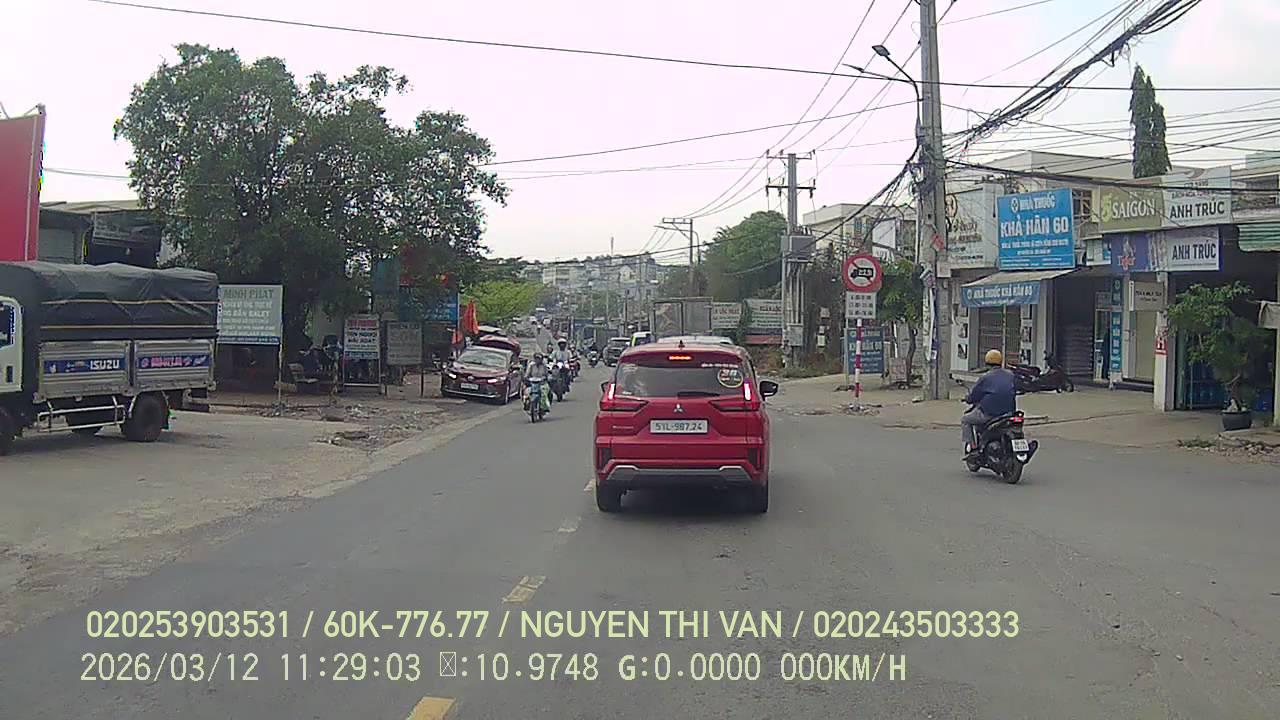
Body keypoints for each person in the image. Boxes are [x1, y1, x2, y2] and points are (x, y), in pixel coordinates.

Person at [961, 349, 1017, 457]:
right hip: (1008, 414)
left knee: (965, 420)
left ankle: (972, 447)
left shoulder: (986, 377)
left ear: (987, 362)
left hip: (989, 414)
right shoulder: (1010, 375)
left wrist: (968, 399)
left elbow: (974, 395)